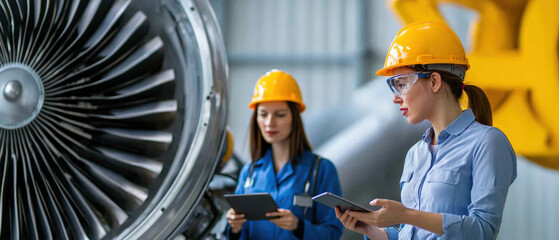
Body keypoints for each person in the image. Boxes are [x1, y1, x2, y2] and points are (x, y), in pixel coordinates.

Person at [335, 21, 517, 239]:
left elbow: (483, 230)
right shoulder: (416, 154)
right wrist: (371, 230)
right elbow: (412, 234)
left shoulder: (487, 142)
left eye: (401, 84)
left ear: (434, 81)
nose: (395, 97)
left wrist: (407, 215)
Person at [226, 70, 344, 240]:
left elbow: (332, 233)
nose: (269, 123)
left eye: (280, 115)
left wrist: (298, 226)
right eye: (263, 114)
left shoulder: (321, 170)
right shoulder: (249, 172)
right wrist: (234, 228)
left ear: (294, 117)